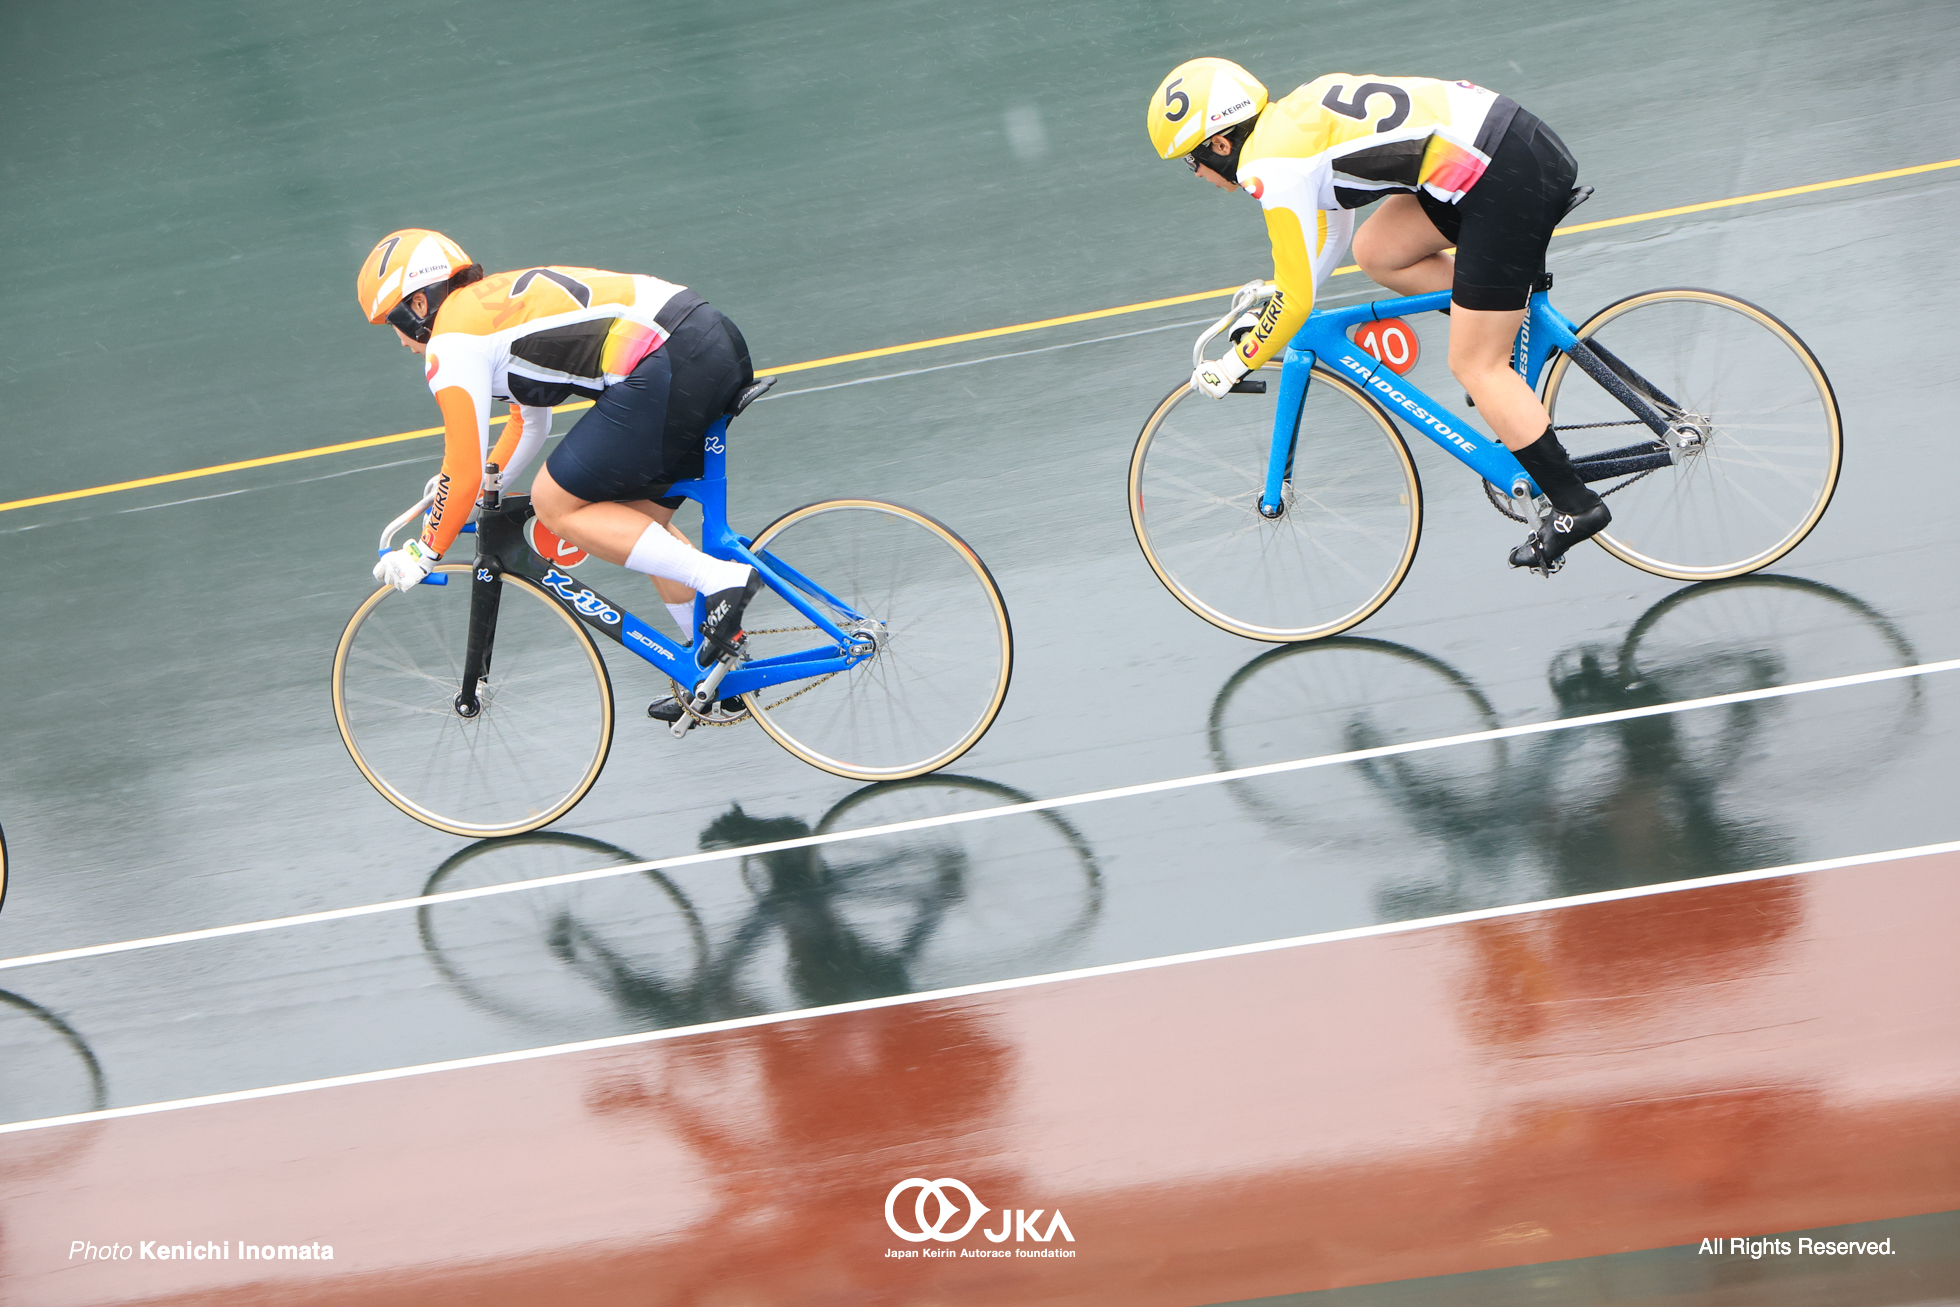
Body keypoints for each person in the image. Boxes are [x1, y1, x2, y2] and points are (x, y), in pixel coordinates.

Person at [1147, 59, 1607, 574]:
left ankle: (1575, 506)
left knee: (1476, 365)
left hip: (1499, 174)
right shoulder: (1287, 124)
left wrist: (1234, 364)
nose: (1198, 175)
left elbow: (1296, 300)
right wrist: (1278, 307)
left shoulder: (1269, 168)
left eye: (1191, 162)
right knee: (1378, 250)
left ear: (1220, 145)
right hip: (1505, 149)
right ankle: (1499, 320)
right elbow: (1332, 235)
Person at [355, 230, 765, 701]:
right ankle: (713, 669)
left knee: (554, 502)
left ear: (419, 306)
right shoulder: (486, 311)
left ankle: (723, 581)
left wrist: (425, 550)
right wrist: (478, 492)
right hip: (707, 339)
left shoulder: (451, 340)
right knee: (632, 525)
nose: (402, 341)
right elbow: (528, 423)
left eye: (393, 322)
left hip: (668, 360)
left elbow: (461, 465)